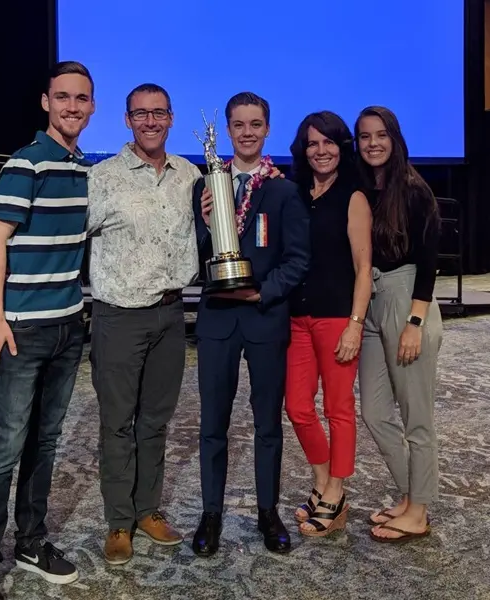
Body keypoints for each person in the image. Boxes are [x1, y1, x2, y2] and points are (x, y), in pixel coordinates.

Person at [0, 61, 95, 599]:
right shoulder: (26, 163)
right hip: (22, 330)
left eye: (81, 99)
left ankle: (31, 539)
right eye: (62, 97)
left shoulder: (83, 168)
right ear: (46, 102)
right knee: (4, 447)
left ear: (92, 107)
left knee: (45, 443)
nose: (71, 107)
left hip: (68, 327)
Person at [191, 92, 311, 557]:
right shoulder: (206, 185)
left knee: (267, 425)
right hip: (218, 320)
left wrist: (264, 292)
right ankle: (211, 513)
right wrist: (204, 225)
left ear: (267, 129)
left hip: (264, 319)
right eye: (238, 124)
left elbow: (298, 259)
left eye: (255, 124)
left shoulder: (284, 190)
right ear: (226, 128)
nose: (246, 132)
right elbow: (195, 252)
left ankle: (268, 512)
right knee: (212, 425)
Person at [86, 83, 200, 566]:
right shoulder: (102, 178)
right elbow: (71, 236)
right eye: (141, 114)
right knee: (117, 424)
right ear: (127, 120)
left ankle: (148, 510)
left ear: (171, 118)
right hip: (119, 317)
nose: (150, 121)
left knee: (155, 422)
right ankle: (118, 521)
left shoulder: (191, 176)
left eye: (159, 113)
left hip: (171, 316)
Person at [354, 106, 443, 543]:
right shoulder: (367, 189)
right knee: (373, 411)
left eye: (381, 135)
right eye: (365, 136)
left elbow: (429, 262)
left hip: (407, 301)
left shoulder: (413, 189)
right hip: (371, 301)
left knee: (417, 417)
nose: (373, 143)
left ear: (395, 137)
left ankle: (419, 511)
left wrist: (415, 322)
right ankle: (409, 494)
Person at [285, 111, 372, 537]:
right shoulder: (296, 191)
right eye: (312, 143)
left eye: (329, 143)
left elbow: (363, 267)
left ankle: (335, 492)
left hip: (337, 316)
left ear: (342, 147)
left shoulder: (353, 196)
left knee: (338, 409)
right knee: (297, 407)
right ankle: (322, 480)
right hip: (296, 318)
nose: (320, 151)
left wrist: (355, 324)